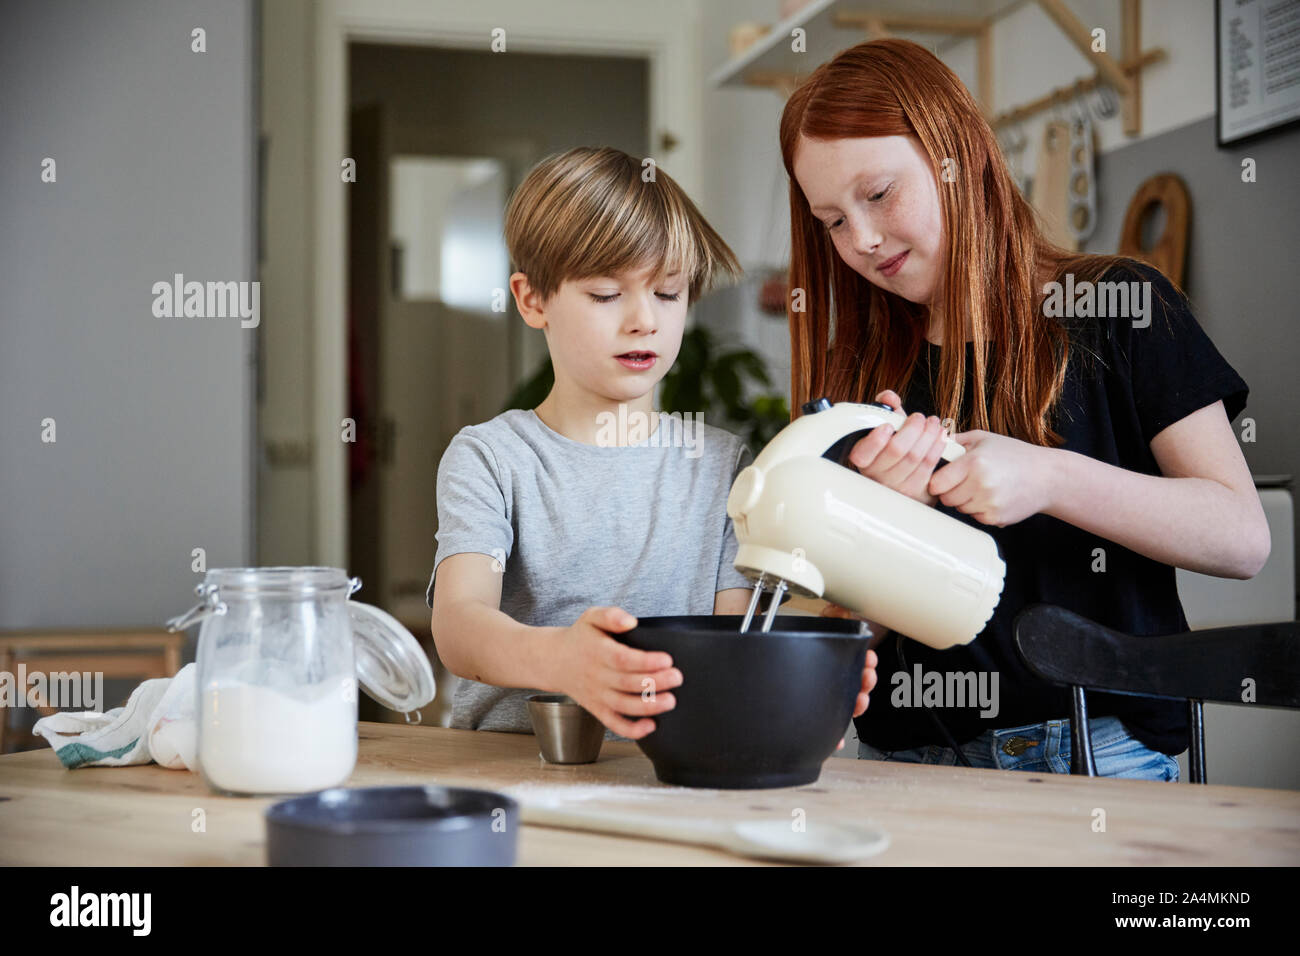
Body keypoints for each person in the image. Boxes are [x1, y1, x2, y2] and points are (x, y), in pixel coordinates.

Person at [779, 40, 1268, 780]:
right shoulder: (861, 371)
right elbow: (851, 628)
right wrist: (882, 528)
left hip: (1096, 757)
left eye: (877, 195)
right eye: (833, 221)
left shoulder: (1119, 309)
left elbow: (1241, 539)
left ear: (960, 155)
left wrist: (1052, 479)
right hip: (904, 765)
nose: (863, 239)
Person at [428, 145, 880, 740]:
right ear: (533, 299)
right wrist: (565, 658)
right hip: (516, 770)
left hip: (670, 774)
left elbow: (734, 641)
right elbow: (460, 625)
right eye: (606, 294)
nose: (644, 320)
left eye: (668, 294)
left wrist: (807, 667)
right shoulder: (491, 458)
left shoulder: (723, 466)